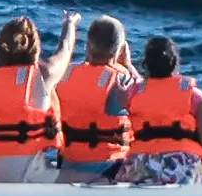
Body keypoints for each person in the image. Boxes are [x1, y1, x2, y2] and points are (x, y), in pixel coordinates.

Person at [0, 11, 80, 184]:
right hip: (28, 171)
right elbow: (65, 49)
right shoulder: (43, 75)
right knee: (98, 179)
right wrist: (69, 23)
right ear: (35, 48)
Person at [116, 36, 202, 184]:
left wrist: (127, 65)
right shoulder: (194, 96)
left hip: (140, 164)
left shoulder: (133, 93)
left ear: (146, 65)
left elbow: (140, 87)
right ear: (175, 62)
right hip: (182, 164)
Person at [56, 14, 140, 179]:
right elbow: (149, 98)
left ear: (88, 46)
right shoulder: (122, 79)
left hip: (68, 163)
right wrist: (129, 66)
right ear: (120, 50)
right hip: (109, 167)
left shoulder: (65, 74)